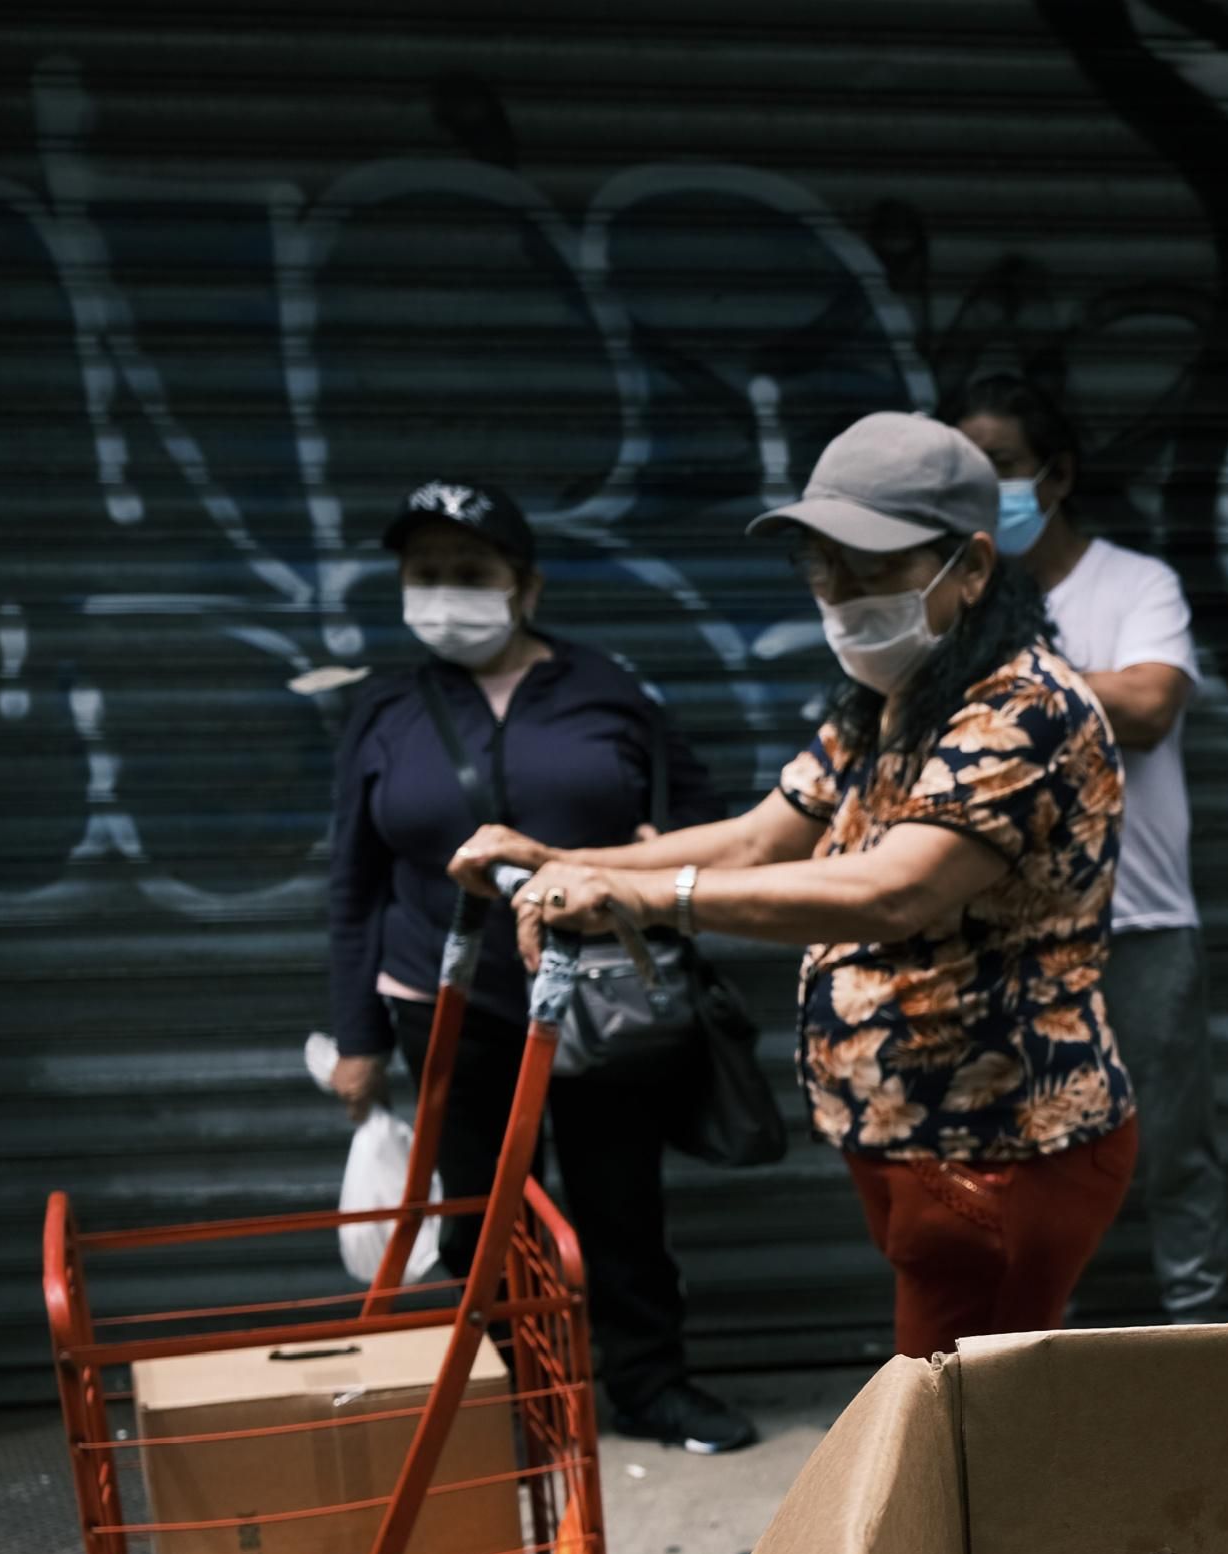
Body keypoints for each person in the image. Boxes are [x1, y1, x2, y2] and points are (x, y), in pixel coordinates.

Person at [447, 414, 1136, 1358]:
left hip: (1001, 1140)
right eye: (824, 568)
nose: (842, 596)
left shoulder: (1025, 707)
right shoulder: (893, 698)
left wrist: (649, 898)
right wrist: (568, 864)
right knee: (960, 1425)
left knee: (971, 1434)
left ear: (972, 569)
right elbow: (757, 838)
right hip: (915, 1133)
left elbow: (895, 892)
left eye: (874, 567)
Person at [324, 477, 759, 1455]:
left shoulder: (607, 690)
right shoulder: (387, 714)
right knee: (483, 1223)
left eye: (468, 573)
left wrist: (663, 849)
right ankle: (525, 1410)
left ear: (523, 586)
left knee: (622, 1208)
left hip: (600, 1002)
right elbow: (353, 886)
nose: (444, 593)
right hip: (449, 1007)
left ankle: (651, 1387)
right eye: (423, 574)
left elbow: (707, 824)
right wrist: (355, 1036)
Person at [949, 374, 1228, 1320]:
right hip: (1005, 932)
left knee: (1173, 1154)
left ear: (1056, 475)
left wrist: (1001, 681)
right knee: (1018, 1156)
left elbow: (1151, 705)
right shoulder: (955, 595)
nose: (985, 493)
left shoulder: (1135, 583)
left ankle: (1199, 1343)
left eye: (1001, 469)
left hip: (1140, 923)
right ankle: (1041, 1350)